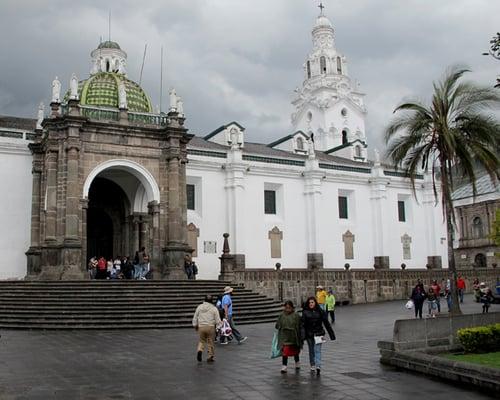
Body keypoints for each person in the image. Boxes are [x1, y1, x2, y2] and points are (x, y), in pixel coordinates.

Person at [301, 296, 335, 376]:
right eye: (309, 303)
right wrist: (302, 336)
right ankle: (312, 364)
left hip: (318, 334)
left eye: (312, 302)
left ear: (315, 303)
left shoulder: (320, 311)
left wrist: (331, 335)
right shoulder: (305, 312)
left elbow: (326, 323)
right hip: (309, 334)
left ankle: (318, 365)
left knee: (317, 350)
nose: (311, 304)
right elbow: (302, 325)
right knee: (311, 350)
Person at [192, 295, 222, 363]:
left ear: (204, 300)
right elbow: (218, 320)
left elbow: (195, 317)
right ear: (211, 300)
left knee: (202, 340)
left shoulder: (199, 307)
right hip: (210, 327)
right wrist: (218, 327)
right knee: (210, 342)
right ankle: (210, 356)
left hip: (201, 326)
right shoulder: (214, 308)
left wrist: (195, 325)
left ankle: (200, 350)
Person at [275, 300, 302, 373]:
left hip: (294, 336)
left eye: (289, 308)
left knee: (295, 351)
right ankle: (284, 366)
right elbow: (277, 325)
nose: (287, 309)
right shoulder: (282, 315)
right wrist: (279, 326)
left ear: (292, 307)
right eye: (286, 308)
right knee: (285, 351)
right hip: (285, 336)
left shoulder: (296, 315)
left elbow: (300, 325)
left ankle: (297, 362)